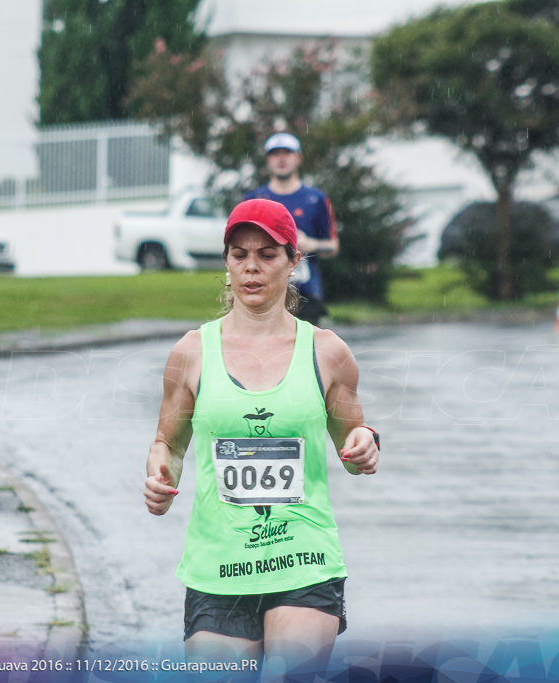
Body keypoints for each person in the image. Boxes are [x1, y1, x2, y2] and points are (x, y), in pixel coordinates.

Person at [143, 198, 379, 678]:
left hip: (304, 558)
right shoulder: (191, 353)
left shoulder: (327, 352)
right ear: (226, 263)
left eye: (267, 255)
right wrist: (159, 475)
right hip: (219, 567)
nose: (251, 267)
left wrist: (365, 443)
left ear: (294, 262)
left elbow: (352, 438)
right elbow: (168, 443)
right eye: (239, 254)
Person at [245, 133, 338, 326]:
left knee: (305, 352)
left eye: (287, 153)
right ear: (267, 160)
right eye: (275, 154)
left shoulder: (316, 199)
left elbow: (333, 246)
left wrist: (311, 244)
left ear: (298, 158)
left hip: (306, 292)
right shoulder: (254, 199)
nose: (281, 158)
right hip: (264, 289)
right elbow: (240, 244)